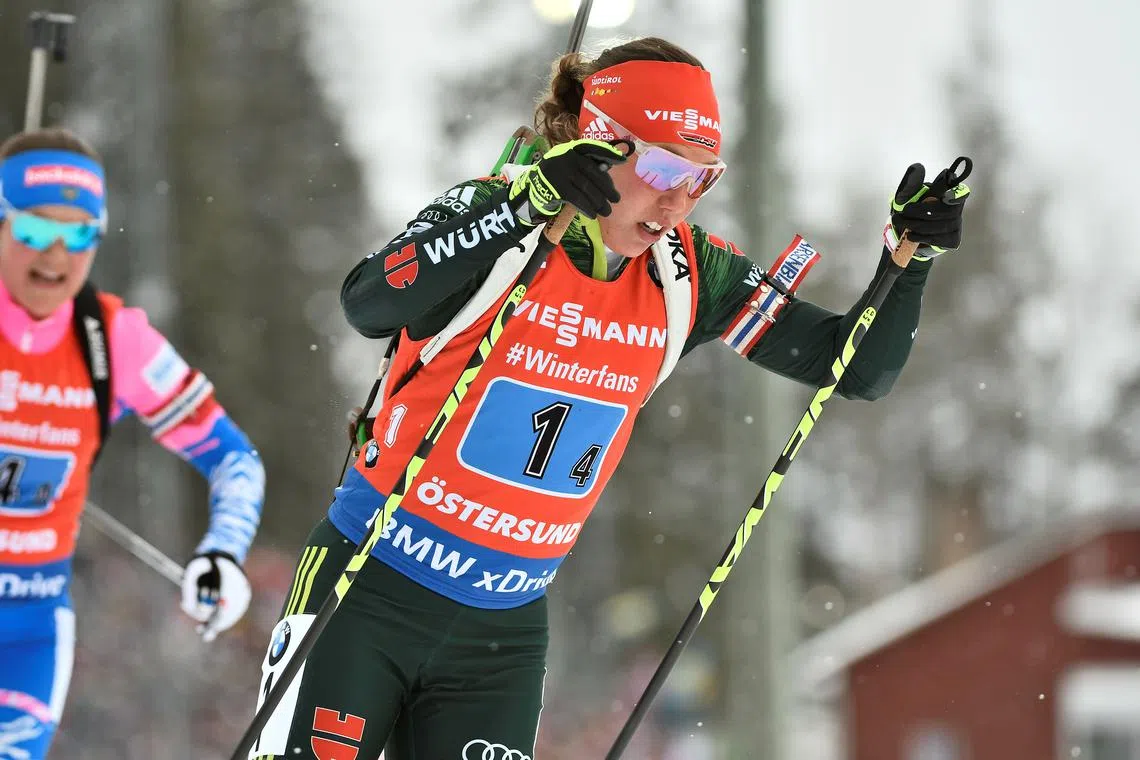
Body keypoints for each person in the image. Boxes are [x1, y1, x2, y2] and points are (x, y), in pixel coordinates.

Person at [250, 37, 970, 759]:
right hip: (368, 588)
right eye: (659, 167)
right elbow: (368, 303)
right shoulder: (495, 215)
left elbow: (856, 369)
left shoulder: (689, 274)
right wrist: (524, 206)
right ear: (599, 143)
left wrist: (908, 260)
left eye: (701, 178)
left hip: (500, 635)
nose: (675, 200)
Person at [0, 127, 266, 759]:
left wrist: (223, 553)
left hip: (30, 628)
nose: (56, 254)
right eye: (35, 230)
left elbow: (235, 459)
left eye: (81, 232)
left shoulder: (113, 340)